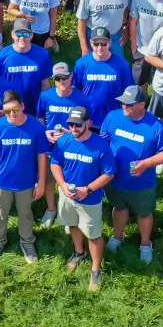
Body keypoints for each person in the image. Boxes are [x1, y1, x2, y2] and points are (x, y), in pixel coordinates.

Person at [99, 85, 163, 264]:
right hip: (115, 178)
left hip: (142, 182)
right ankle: (118, 236)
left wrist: (146, 163)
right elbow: (103, 141)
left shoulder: (156, 126)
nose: (124, 106)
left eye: (129, 104)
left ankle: (145, 243)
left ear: (141, 104)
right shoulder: (113, 117)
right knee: (119, 207)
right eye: (123, 103)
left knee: (144, 213)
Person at [51, 104, 118, 288]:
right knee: (72, 224)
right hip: (67, 195)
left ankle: (96, 268)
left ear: (89, 123)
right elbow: (55, 163)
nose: (74, 128)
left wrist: (87, 189)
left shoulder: (101, 146)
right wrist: (63, 185)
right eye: (71, 124)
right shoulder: (65, 141)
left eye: (78, 125)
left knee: (94, 235)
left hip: (90, 199)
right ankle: (79, 252)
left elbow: (109, 173)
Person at [0, 89, 50, 262]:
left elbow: (42, 157)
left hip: (26, 182)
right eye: (7, 111)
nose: (11, 114)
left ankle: (27, 242)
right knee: (0, 214)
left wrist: (41, 183)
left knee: (26, 214)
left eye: (15, 109)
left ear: (23, 106)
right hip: (2, 181)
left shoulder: (36, 127)